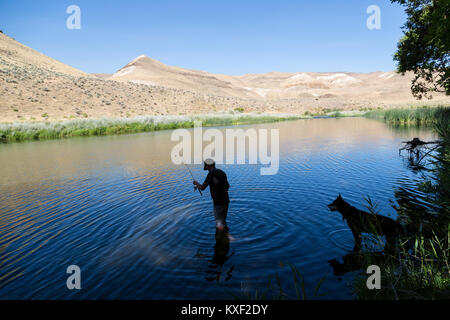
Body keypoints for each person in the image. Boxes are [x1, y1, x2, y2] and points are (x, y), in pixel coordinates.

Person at [193, 158, 230, 230]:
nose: (207, 169)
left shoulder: (211, 174)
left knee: (219, 223)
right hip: (226, 200)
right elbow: (227, 186)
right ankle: (226, 236)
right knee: (223, 221)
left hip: (218, 202)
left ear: (208, 166)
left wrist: (196, 183)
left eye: (206, 167)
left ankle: (223, 238)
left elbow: (202, 187)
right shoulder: (222, 172)